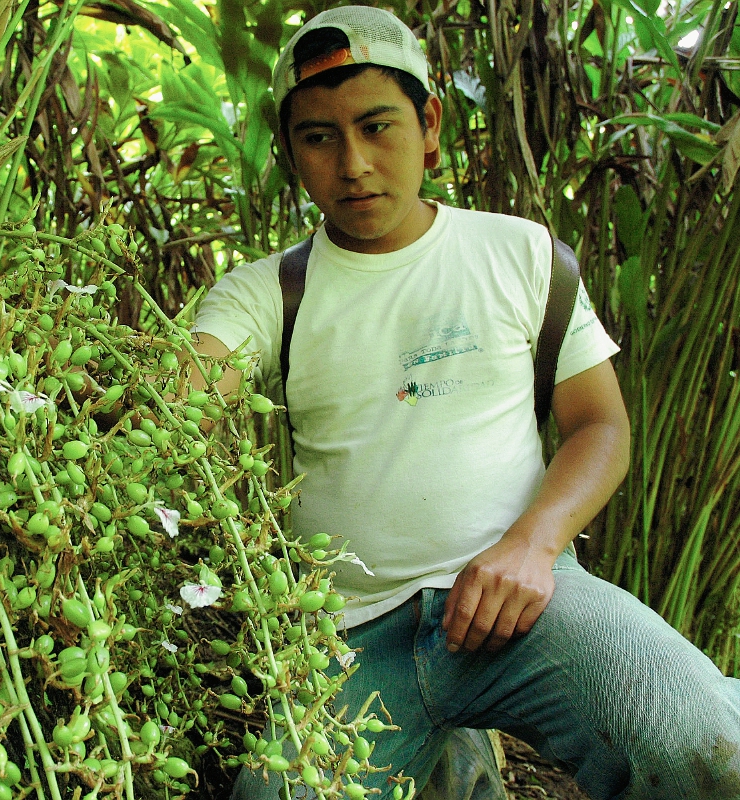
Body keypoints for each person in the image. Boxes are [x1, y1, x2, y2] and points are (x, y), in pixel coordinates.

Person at [186, 5, 740, 798]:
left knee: (713, 746)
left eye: (378, 126)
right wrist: (144, 397)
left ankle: (460, 749)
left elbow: (601, 426)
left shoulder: (519, 254)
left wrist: (534, 544)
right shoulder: (265, 292)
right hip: (347, 643)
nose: (352, 164)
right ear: (289, 153)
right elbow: (193, 390)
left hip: (527, 608)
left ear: (430, 120)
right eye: (319, 138)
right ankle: (455, 757)